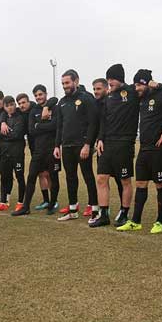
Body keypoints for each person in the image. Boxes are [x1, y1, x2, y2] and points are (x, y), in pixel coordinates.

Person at [116, 70, 162, 233]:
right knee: (140, 184)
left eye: (139, 85)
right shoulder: (141, 98)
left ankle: (160, 221)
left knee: (160, 183)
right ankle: (136, 221)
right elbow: (126, 89)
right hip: (144, 148)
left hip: (160, 148)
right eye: (135, 84)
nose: (136, 88)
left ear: (147, 83)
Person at [92, 65, 141, 228]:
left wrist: (157, 84)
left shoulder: (132, 92)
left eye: (112, 79)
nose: (110, 82)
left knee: (125, 180)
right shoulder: (108, 98)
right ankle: (104, 213)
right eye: (108, 79)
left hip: (124, 143)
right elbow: (103, 121)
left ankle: (124, 212)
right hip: (107, 143)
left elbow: (148, 87)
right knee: (101, 178)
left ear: (119, 78)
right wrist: (100, 138)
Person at [54, 69, 98, 221]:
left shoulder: (86, 98)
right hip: (67, 146)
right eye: (63, 83)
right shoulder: (62, 102)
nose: (65, 86)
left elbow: (93, 123)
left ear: (76, 81)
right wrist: (56, 145)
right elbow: (60, 126)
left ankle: (95, 210)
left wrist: (87, 144)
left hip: (82, 146)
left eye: (67, 82)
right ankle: (73, 210)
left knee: (88, 176)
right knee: (70, 177)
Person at [12, 85, 60, 216]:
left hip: (52, 149)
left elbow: (56, 126)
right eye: (36, 95)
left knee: (53, 177)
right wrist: (44, 123)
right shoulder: (33, 111)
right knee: (31, 176)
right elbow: (32, 131)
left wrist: (39, 125)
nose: (38, 97)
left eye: (40, 94)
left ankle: (52, 204)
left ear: (45, 94)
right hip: (38, 151)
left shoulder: (55, 108)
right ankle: (25, 207)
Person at [90, 78, 124, 223]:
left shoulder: (114, 101)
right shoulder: (95, 104)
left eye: (98, 89)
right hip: (101, 146)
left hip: (116, 144)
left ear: (106, 88)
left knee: (120, 179)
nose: (96, 92)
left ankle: (124, 210)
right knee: (102, 179)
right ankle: (105, 210)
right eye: (94, 89)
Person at [0, 96, 26, 212]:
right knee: (5, 178)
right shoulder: (3, 119)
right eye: (7, 106)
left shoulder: (20, 118)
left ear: (15, 105)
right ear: (4, 107)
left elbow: (16, 135)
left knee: (20, 177)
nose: (10, 107)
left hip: (17, 154)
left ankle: (21, 202)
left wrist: (5, 133)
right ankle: (3, 202)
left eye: (12, 105)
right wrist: (3, 126)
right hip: (4, 153)